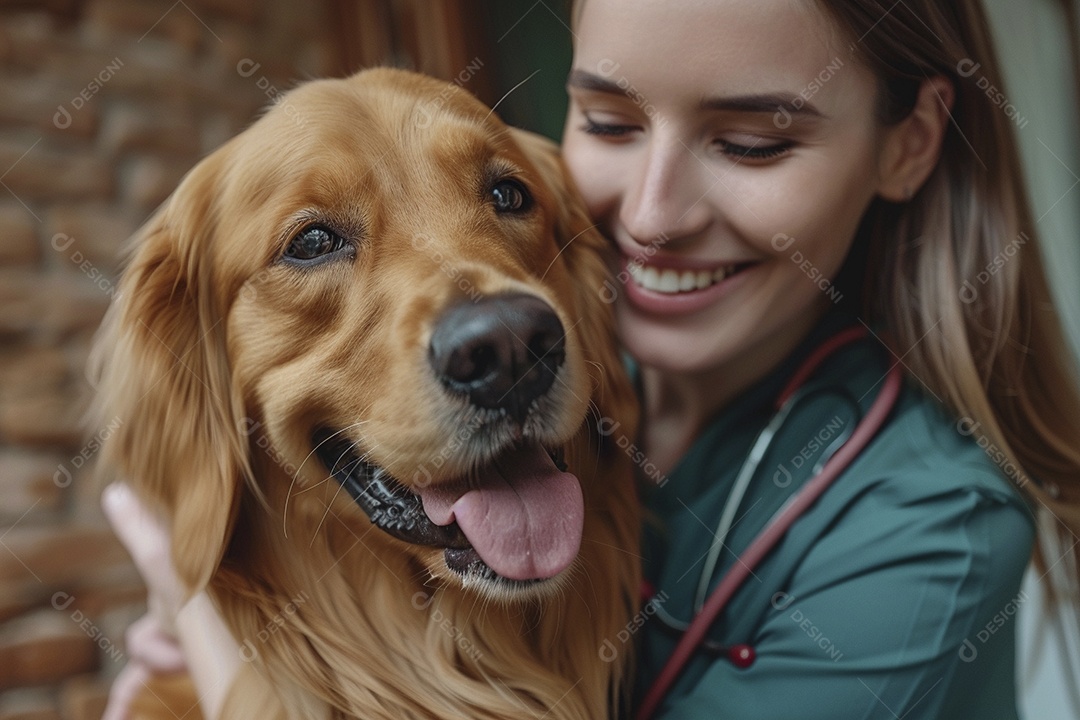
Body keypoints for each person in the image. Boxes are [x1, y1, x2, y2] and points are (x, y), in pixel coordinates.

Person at [103, 1, 1080, 718]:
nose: (651, 218)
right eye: (609, 123)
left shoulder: (930, 523)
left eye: (751, 141)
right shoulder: (628, 378)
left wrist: (213, 643)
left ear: (907, 146)